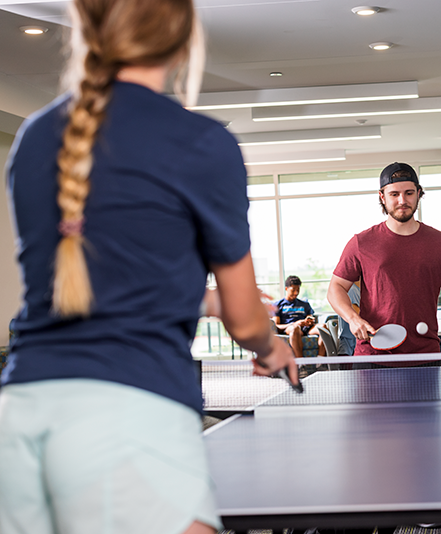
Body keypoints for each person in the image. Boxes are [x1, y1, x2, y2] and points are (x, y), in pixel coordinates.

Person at [0, 1, 297, 533]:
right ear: (185, 41)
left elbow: (103, 282)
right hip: (125, 414)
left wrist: (199, 301)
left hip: (22, 411)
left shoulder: (35, 136)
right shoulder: (202, 144)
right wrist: (272, 347)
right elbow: (247, 320)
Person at [327, 162, 441, 361]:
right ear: (382, 197)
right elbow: (335, 288)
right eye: (394, 194)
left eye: (409, 193)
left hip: (425, 357)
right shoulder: (361, 242)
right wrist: (352, 319)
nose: (402, 200)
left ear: (418, 193)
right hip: (372, 357)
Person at [273, 275, 324, 358]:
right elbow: (277, 325)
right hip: (291, 328)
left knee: (323, 327)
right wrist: (294, 324)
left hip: (306, 328)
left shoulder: (304, 304)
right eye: (293, 290)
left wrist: (309, 321)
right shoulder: (278, 305)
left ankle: (320, 361)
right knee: (295, 328)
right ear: (286, 289)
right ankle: (301, 364)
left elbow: (310, 318)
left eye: (298, 290)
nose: (296, 293)